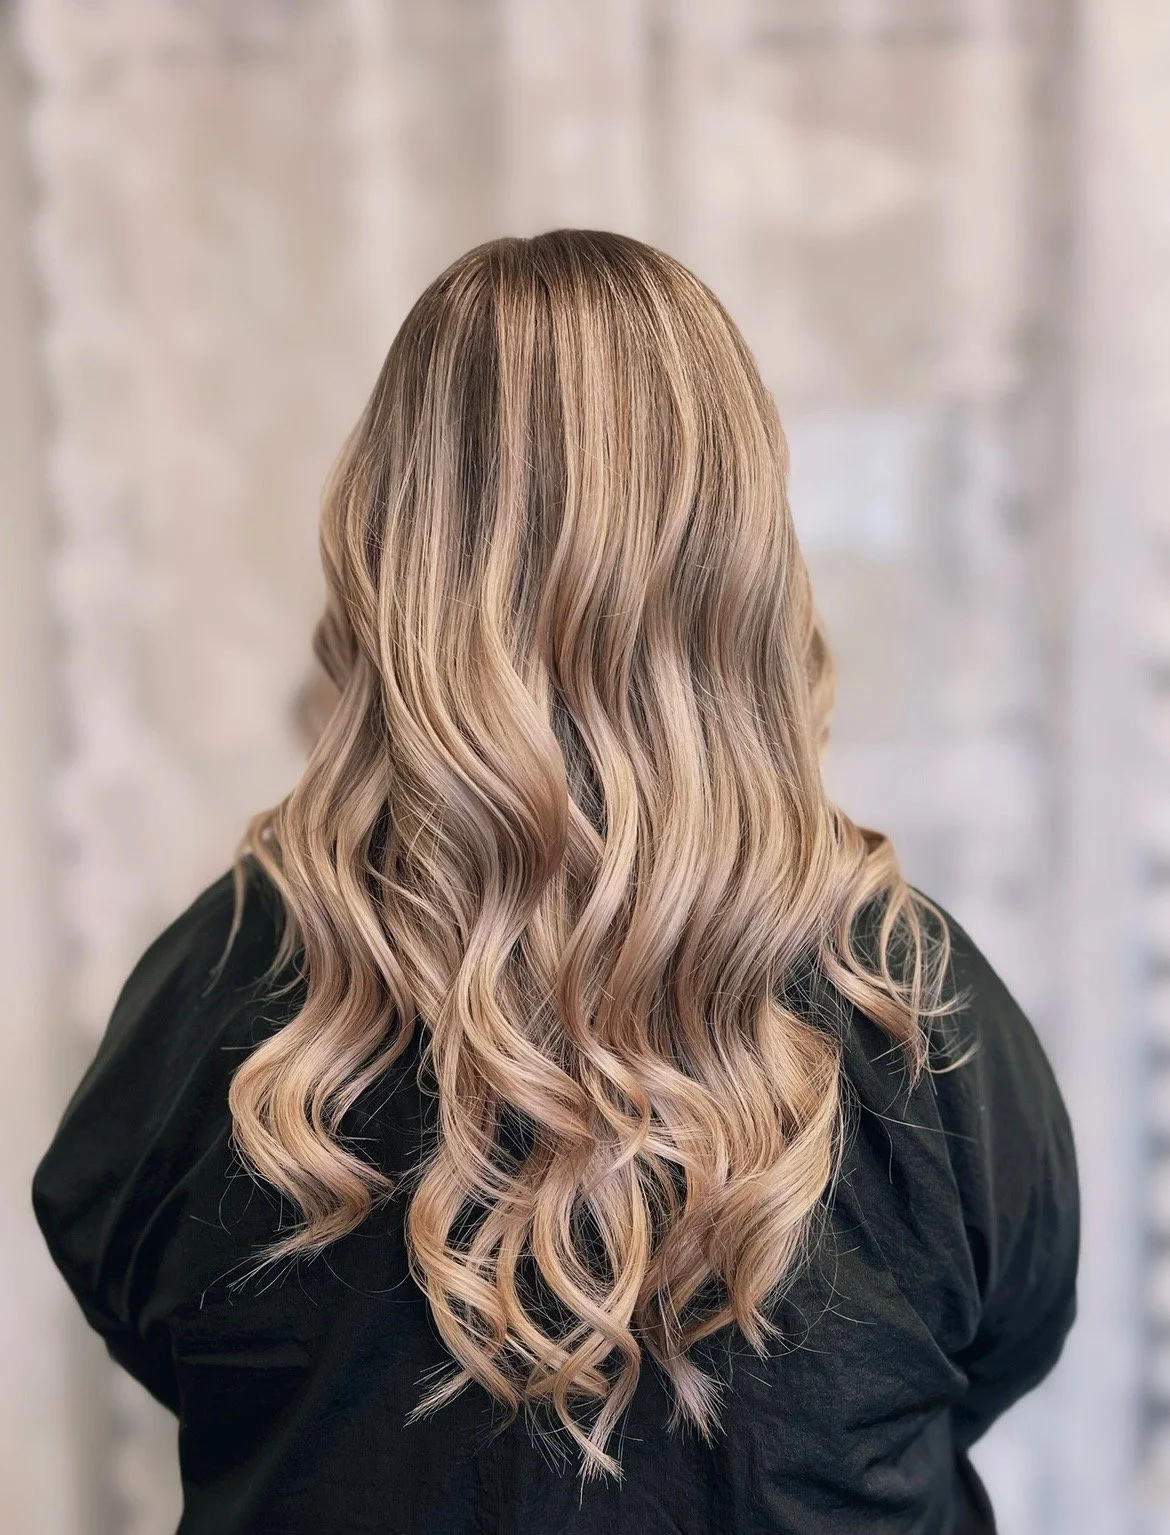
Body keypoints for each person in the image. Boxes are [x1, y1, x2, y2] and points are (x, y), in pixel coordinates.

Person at [31, 230, 1078, 1535]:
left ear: (394, 538)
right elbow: (1005, 1340)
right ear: (737, 553)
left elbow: (134, 1297)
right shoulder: (907, 1003)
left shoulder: (228, 988)